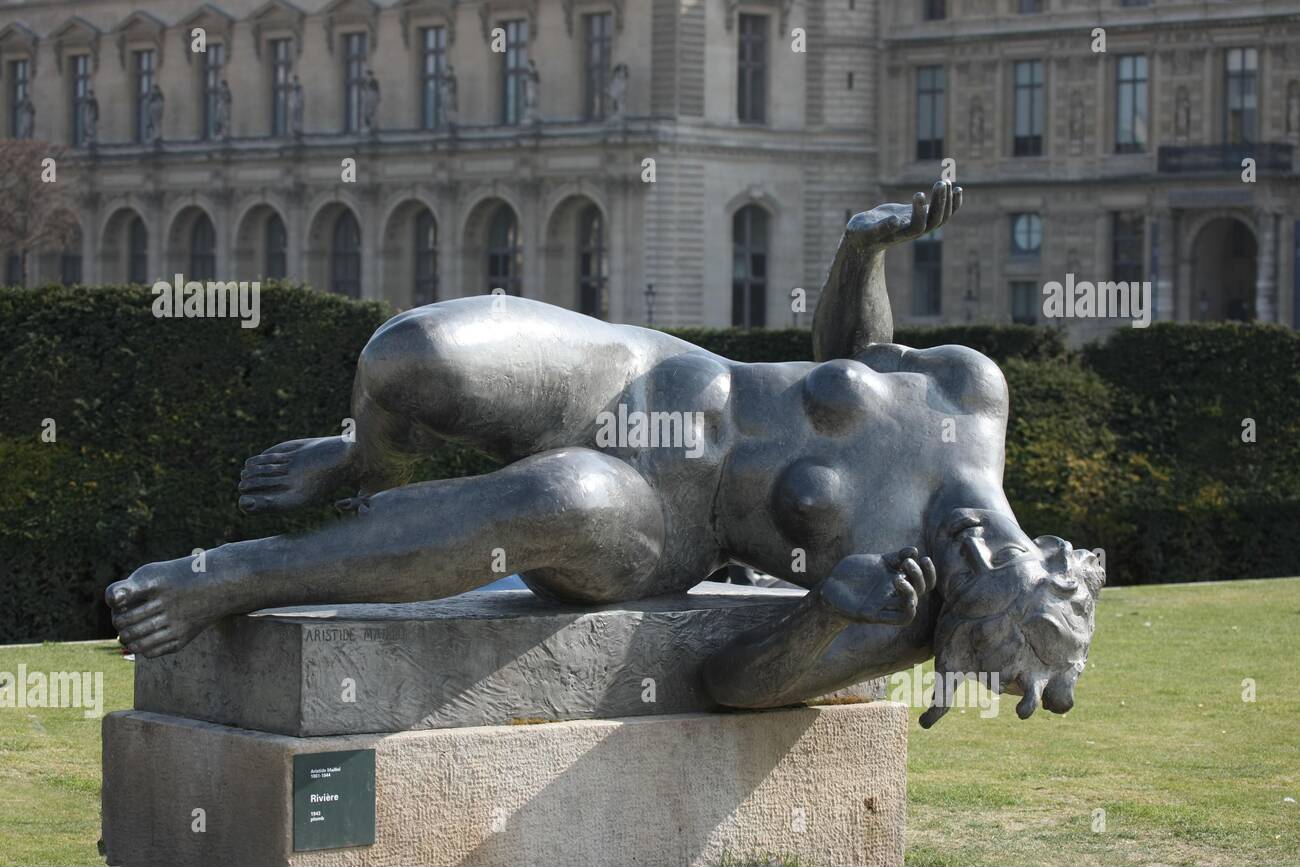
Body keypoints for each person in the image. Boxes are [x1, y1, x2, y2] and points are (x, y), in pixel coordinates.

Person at [107, 182, 1102, 726]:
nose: (966, 548)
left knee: (559, 496)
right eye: (997, 558)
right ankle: (364, 456)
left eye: (969, 591)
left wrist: (824, 629)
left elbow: (734, 684)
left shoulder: (899, 609)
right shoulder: (974, 393)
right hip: (643, 375)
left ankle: (226, 577)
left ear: (960, 628)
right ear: (1049, 549)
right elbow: (854, 359)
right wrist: (858, 255)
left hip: (656, 519)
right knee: (413, 351)